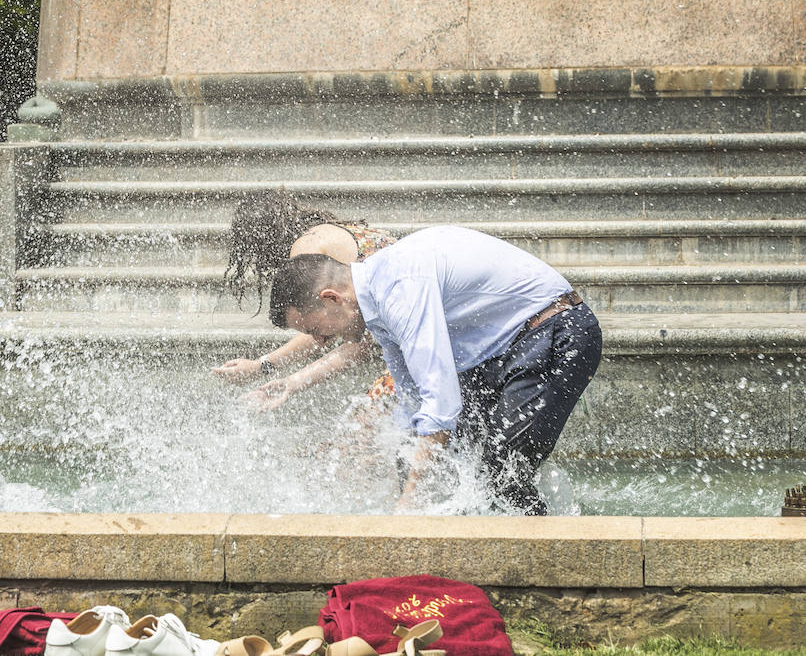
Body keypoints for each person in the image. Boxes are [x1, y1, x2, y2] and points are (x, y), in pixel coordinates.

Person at [266, 225, 602, 515]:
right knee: (421, 454)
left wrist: (407, 508)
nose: (320, 342)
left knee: (501, 469)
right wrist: (401, 454)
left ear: (331, 298)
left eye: (314, 328)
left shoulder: (400, 289)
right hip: (501, 351)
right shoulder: (379, 303)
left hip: (554, 331)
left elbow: (441, 405)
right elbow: (415, 398)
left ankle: (538, 562)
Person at [212, 189, 396, 409]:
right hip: (416, 325)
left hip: (412, 338)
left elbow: (322, 328)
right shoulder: (328, 232)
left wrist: (262, 366)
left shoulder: (306, 254)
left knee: (361, 431)